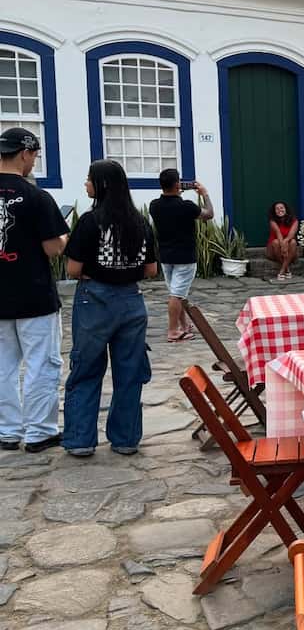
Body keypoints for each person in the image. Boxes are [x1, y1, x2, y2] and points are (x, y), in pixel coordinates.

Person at [63, 159, 157, 458]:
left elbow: (73, 268)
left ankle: (80, 440)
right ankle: (126, 438)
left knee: (86, 369)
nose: (85, 184)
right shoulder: (140, 222)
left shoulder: (90, 222)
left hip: (95, 300)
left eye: (89, 179)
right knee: (129, 372)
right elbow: (151, 269)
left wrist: (96, 270)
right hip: (131, 301)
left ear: (101, 185)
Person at [0, 127, 69, 453]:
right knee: (42, 363)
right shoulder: (36, 196)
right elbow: (53, 248)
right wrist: (66, 238)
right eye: (35, 156)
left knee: (2, 367)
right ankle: (40, 431)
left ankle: (7, 431)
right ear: (25, 153)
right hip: (33, 293)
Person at [149, 169, 213, 342]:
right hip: (185, 257)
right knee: (177, 295)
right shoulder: (187, 207)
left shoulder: (154, 205)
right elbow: (209, 214)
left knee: (178, 293)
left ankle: (183, 326)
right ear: (178, 184)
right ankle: (173, 331)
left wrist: (175, 192)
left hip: (166, 256)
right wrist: (204, 194)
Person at [266, 201, 299, 281]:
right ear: (274, 211)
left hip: (289, 248)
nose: (279, 210)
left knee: (293, 242)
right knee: (276, 242)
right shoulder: (272, 221)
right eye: (277, 209)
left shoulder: (294, 221)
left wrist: (285, 242)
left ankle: (282, 271)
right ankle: (286, 268)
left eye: (281, 208)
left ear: (286, 209)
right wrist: (283, 246)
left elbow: (291, 234)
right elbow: (278, 233)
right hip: (274, 249)